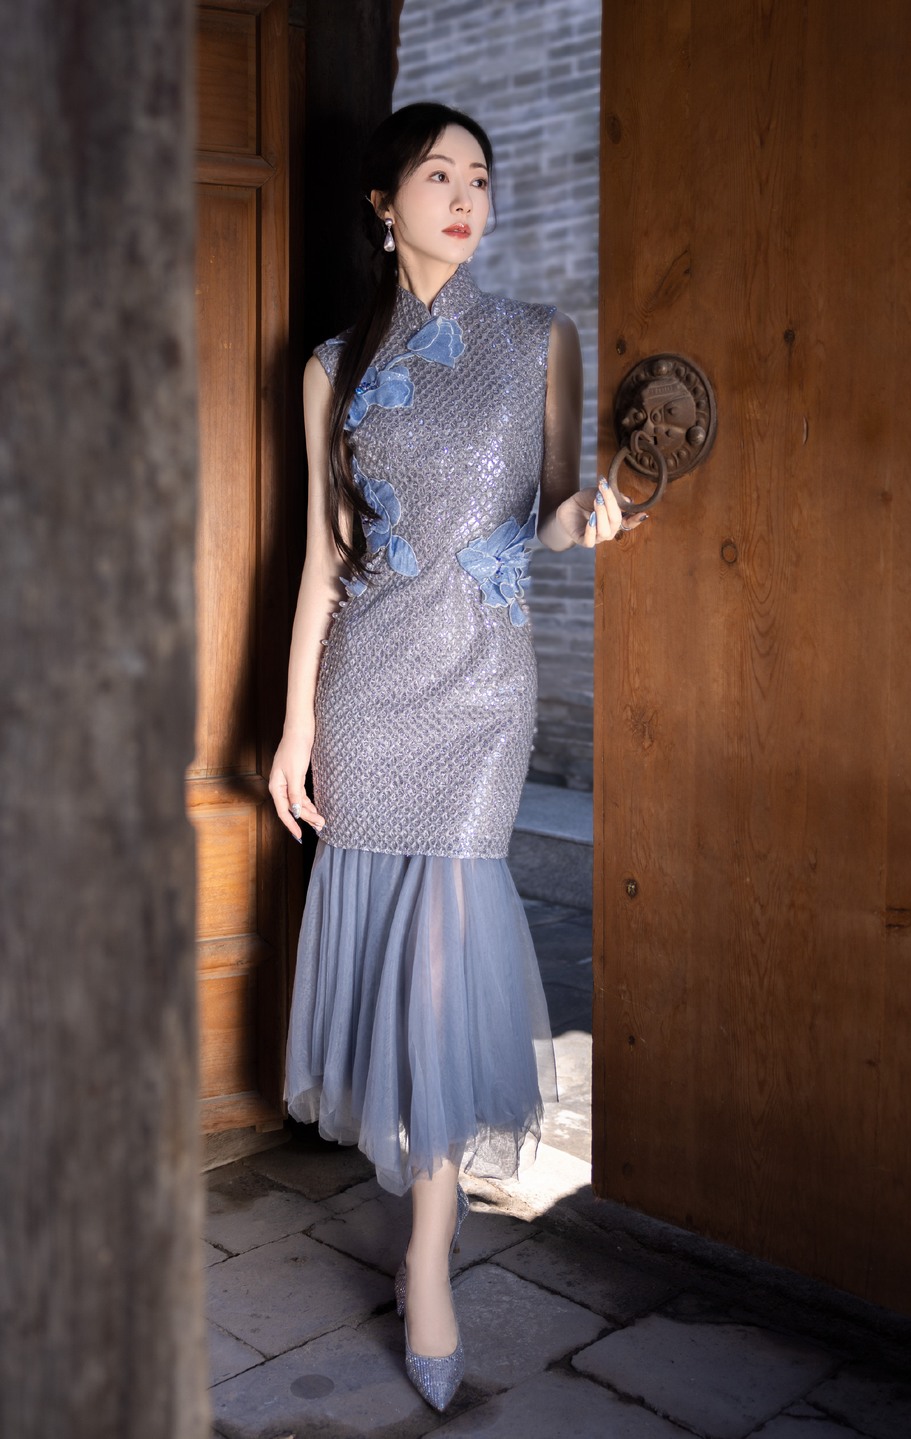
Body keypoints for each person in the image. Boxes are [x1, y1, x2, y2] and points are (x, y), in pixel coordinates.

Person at [268, 101, 644, 1413]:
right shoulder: (332, 367)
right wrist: (295, 729)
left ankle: (427, 1255)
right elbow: (322, 563)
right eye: (440, 175)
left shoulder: (541, 339)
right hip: (370, 691)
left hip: (481, 695)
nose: (467, 195)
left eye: (480, 174)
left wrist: (599, 510)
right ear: (387, 206)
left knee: (441, 966)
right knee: (392, 967)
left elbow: (551, 513)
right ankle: (424, 1225)